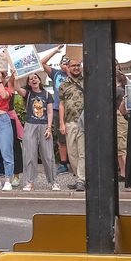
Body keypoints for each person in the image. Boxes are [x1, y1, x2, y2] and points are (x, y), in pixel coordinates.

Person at [16, 72, 58, 191]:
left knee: (48, 155)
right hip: (30, 125)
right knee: (29, 155)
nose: (33, 80)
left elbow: (50, 112)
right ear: (28, 83)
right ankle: (29, 182)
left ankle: (53, 181)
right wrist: (16, 76)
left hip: (44, 125)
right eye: (30, 79)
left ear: (40, 80)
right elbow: (17, 88)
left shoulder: (47, 94)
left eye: (35, 78)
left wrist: (49, 128)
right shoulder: (28, 94)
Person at [40, 46, 71, 173]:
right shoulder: (56, 73)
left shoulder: (76, 74)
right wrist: (55, 51)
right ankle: (64, 163)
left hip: (73, 109)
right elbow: (42, 63)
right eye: (63, 62)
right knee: (61, 137)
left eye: (68, 63)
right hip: (58, 108)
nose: (65, 65)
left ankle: (76, 163)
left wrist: (69, 72)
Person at [58, 58, 86, 191]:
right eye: (73, 65)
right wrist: (61, 123)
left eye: (78, 65)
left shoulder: (87, 81)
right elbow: (61, 104)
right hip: (69, 122)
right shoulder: (63, 84)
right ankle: (79, 177)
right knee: (72, 153)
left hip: (84, 122)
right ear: (67, 68)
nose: (76, 67)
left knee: (82, 153)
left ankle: (81, 180)